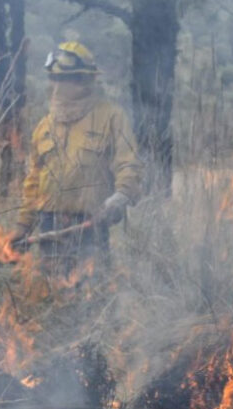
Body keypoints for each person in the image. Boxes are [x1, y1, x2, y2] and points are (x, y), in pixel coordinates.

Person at [12, 41, 142, 277]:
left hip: (91, 223)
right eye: (54, 78)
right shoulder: (44, 126)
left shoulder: (111, 117)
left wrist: (120, 197)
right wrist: (23, 225)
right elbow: (33, 182)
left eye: (64, 79)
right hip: (49, 224)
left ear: (84, 80)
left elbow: (128, 163)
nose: (57, 85)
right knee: (50, 290)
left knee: (92, 290)